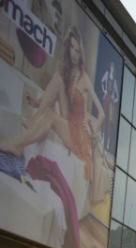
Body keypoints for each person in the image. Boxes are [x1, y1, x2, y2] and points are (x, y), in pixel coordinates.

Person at [0, 26, 105, 187]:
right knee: (58, 78)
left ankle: (17, 144)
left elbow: (102, 114)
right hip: (68, 121)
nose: (74, 54)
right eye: (72, 48)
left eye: (77, 50)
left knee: (50, 115)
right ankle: (28, 129)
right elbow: (56, 93)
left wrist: (92, 131)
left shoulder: (84, 78)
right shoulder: (67, 72)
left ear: (81, 53)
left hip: (79, 136)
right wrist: (37, 102)